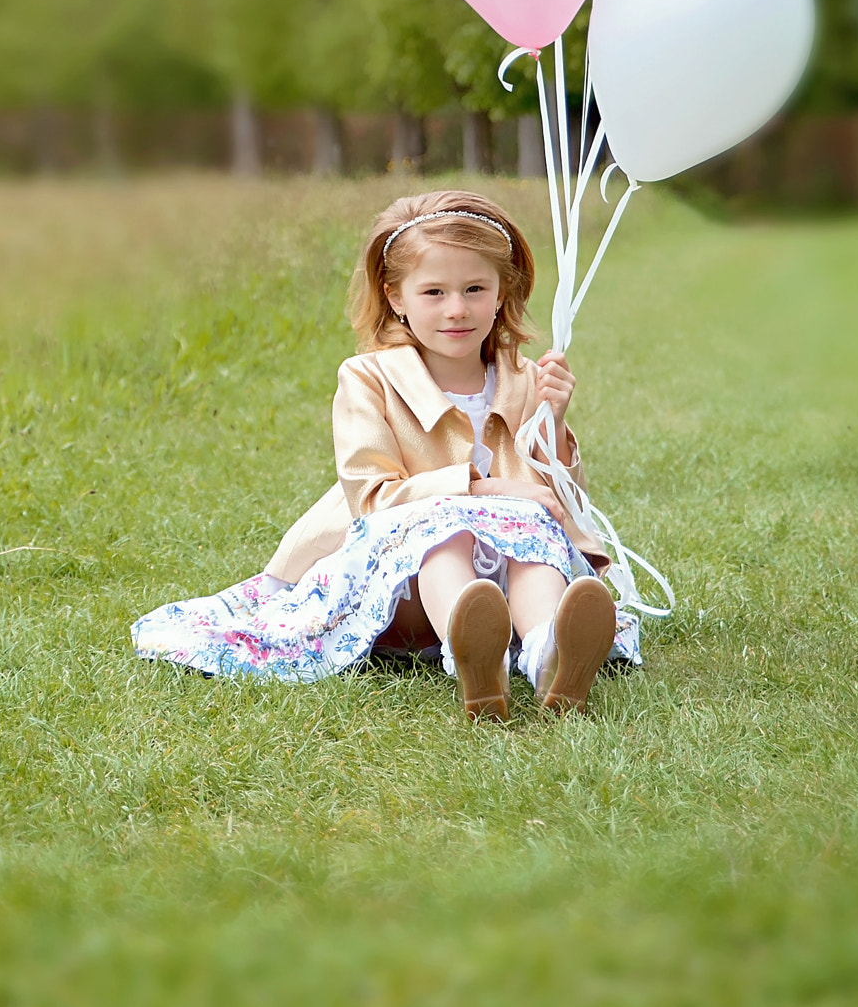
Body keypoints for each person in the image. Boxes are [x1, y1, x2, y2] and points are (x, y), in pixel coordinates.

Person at [132, 189, 640, 720]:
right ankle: (471, 653)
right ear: (395, 296)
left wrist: (554, 421)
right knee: (447, 530)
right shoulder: (369, 379)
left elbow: (559, 500)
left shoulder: (524, 378)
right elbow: (373, 495)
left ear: (501, 292)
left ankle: (545, 654)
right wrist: (486, 488)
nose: (457, 309)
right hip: (401, 588)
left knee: (534, 534)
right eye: (434, 292)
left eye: (474, 289)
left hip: (504, 579)